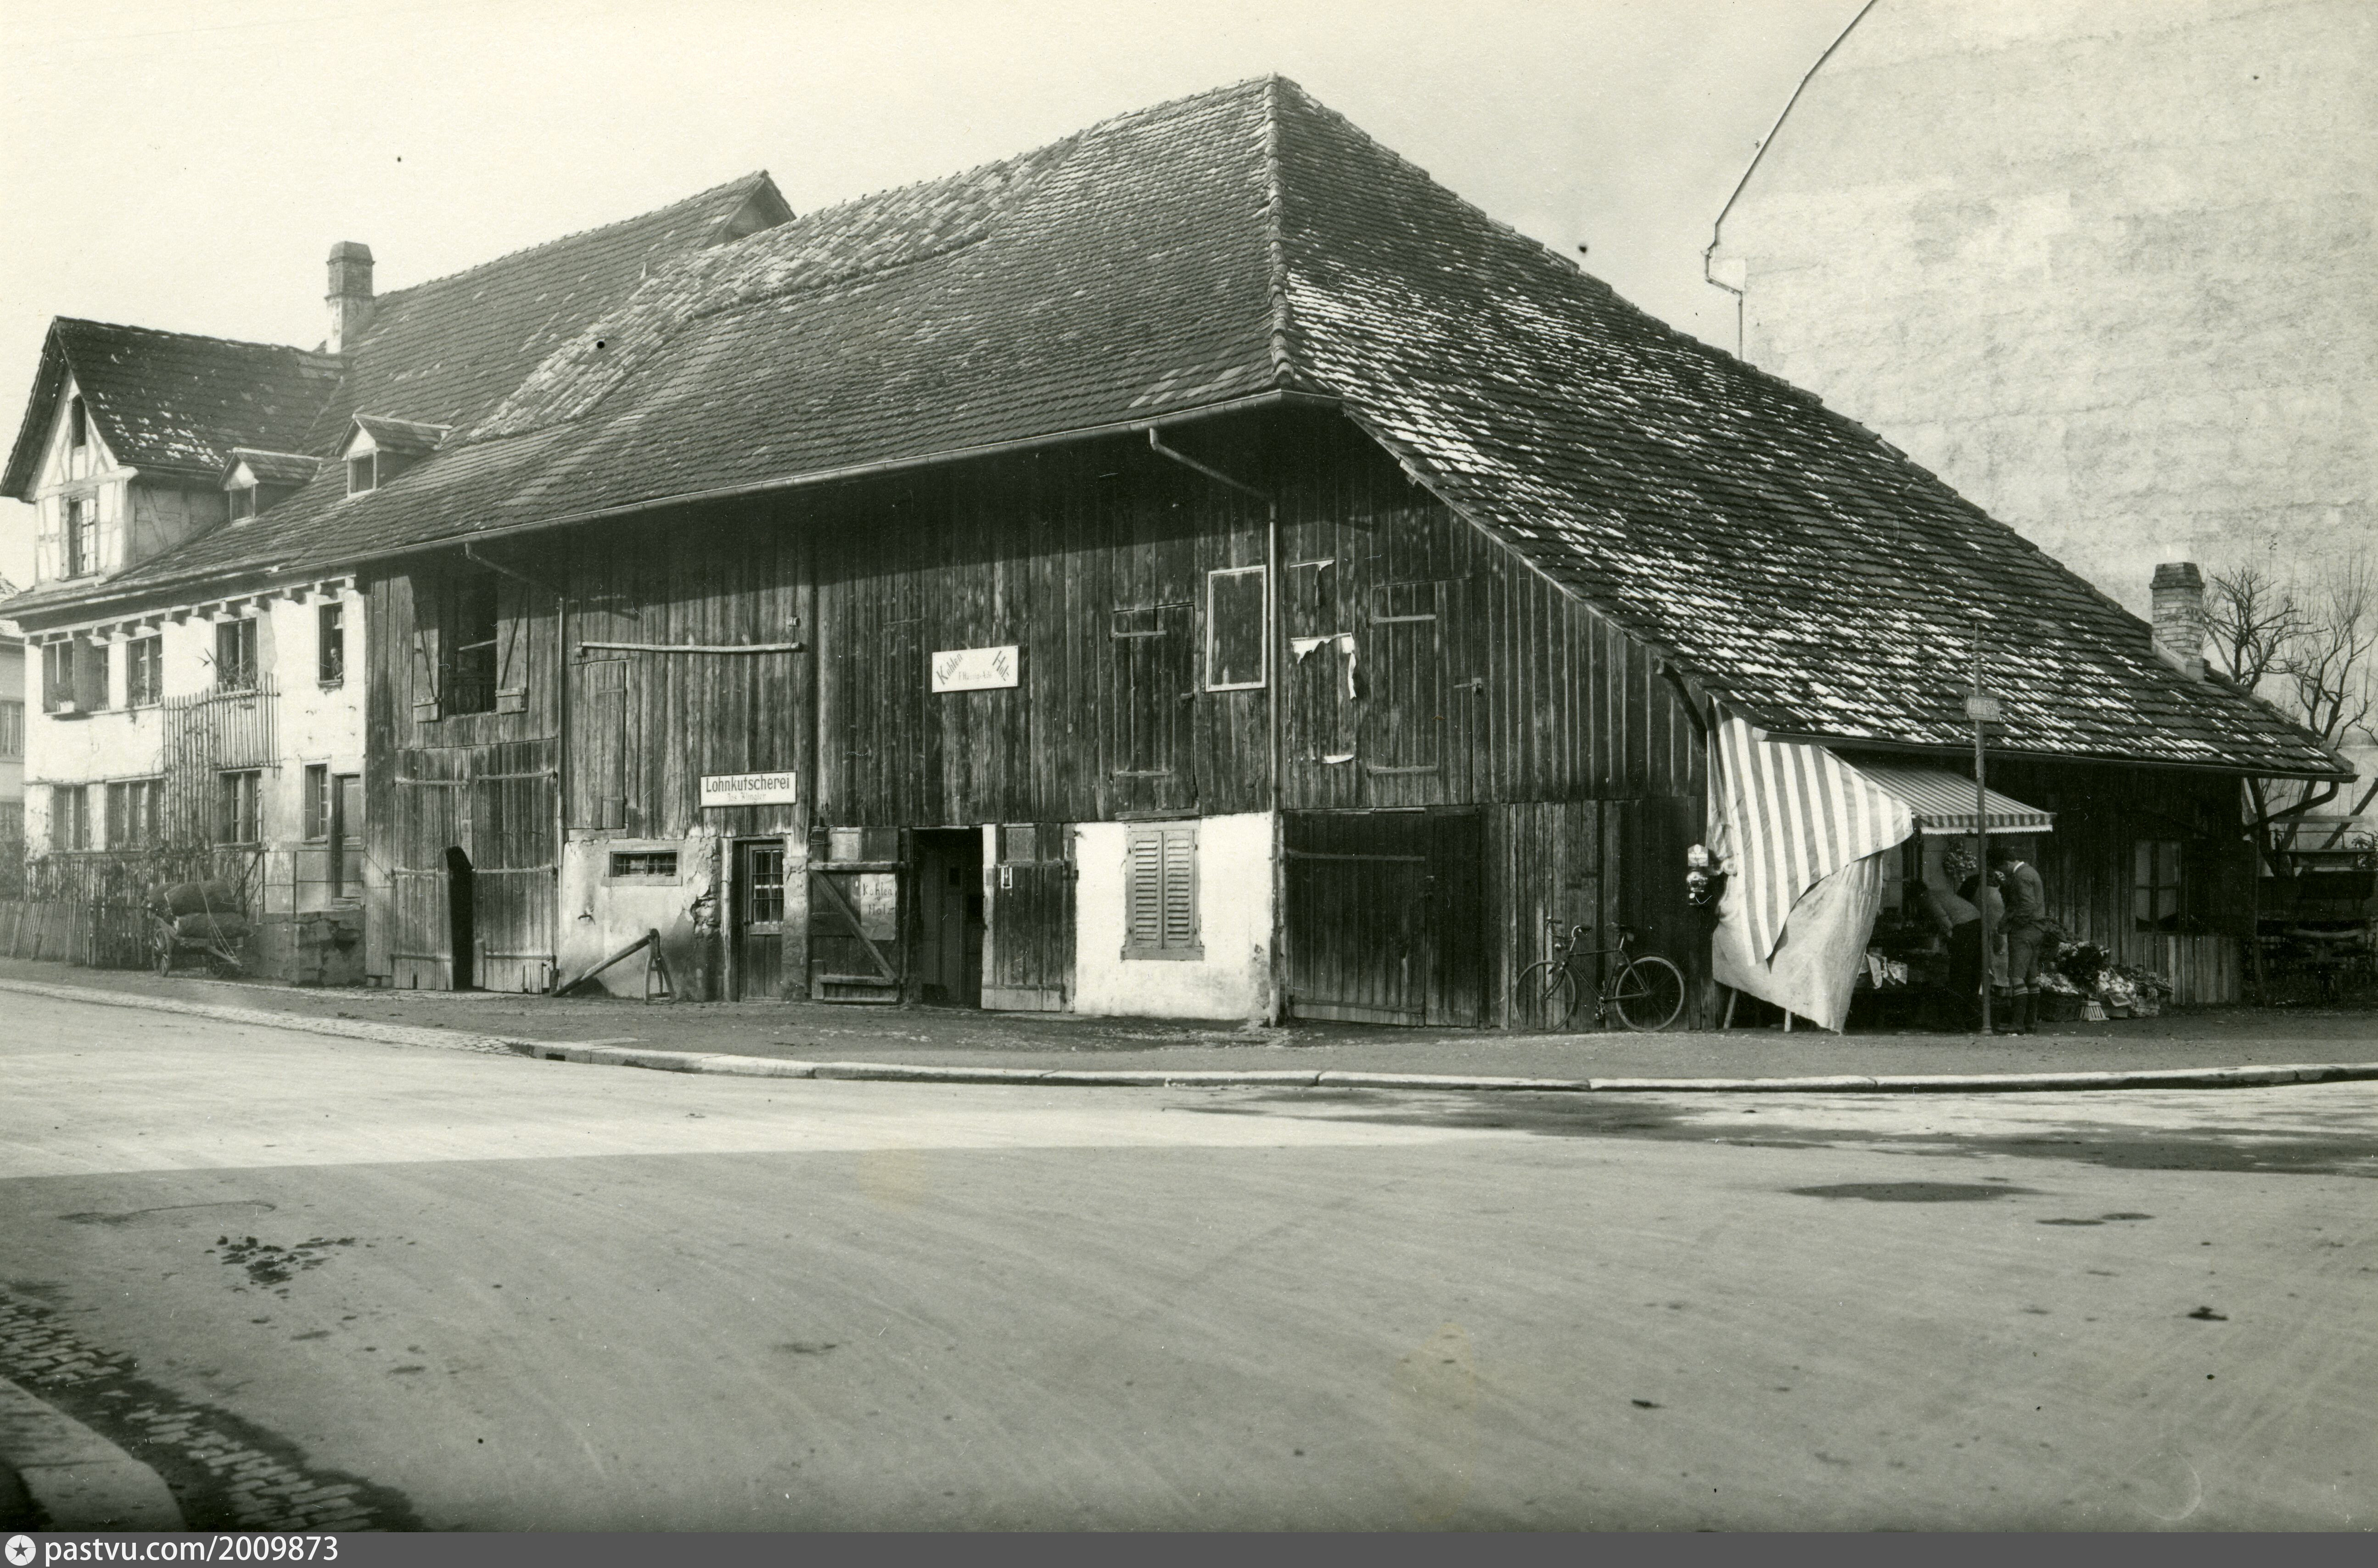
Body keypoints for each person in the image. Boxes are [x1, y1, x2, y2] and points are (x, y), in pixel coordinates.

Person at [1919, 860, 1986, 1030]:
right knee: (1973, 974)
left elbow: (1944, 921)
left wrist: (1947, 940)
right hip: (1978, 925)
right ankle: (1973, 1020)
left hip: (1964, 930)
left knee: (1960, 974)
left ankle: (1955, 1020)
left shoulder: (1926, 897)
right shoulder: (1940, 892)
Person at [1991, 843, 2049, 1034]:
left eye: (2001, 868)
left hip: (2024, 931)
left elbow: (2026, 906)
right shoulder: (2029, 872)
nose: (2002, 872)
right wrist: (2005, 885)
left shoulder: (2021, 876)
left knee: (2016, 976)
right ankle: (2031, 1022)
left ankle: (2017, 1024)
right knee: (2031, 977)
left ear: (2006, 863)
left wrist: (2012, 924)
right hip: (2037, 929)